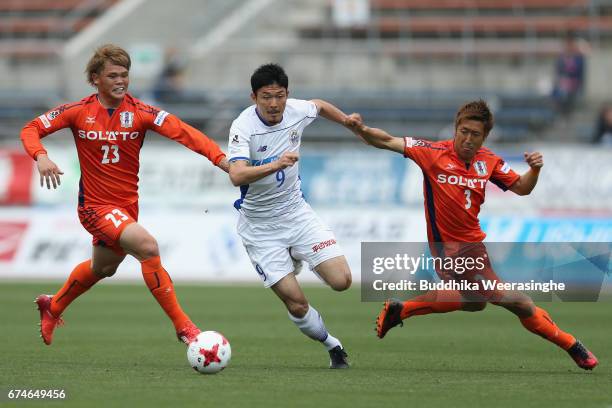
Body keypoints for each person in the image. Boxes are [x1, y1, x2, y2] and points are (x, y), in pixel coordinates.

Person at [346, 100, 598, 371]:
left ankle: (401, 310)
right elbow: (385, 140)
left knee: (474, 302)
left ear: (484, 137)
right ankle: (572, 344)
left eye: (474, 134)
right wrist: (360, 129)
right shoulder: (432, 152)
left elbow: (522, 188)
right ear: (456, 128)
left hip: (475, 246)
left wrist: (534, 170)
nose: (467, 139)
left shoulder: (488, 161)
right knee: (521, 303)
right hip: (451, 249)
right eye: (463, 131)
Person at [21, 44, 229, 346]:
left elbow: (185, 132)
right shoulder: (77, 112)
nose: (121, 81)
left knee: (103, 268)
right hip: (94, 207)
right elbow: (31, 128)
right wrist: (40, 156)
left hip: (126, 208)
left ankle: (52, 306)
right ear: (95, 79)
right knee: (148, 247)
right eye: (113, 76)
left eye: (125, 75)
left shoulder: (141, 113)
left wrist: (221, 160)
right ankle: (185, 327)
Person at [227, 63, 356, 369]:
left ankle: (300, 256)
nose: (274, 104)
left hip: (297, 215)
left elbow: (320, 106)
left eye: (279, 96)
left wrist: (347, 122)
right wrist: (277, 164)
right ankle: (332, 345)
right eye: (266, 97)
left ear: (288, 94)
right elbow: (236, 175)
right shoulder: (243, 126)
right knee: (297, 304)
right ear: (253, 97)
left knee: (342, 281)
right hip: (260, 228)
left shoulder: (297, 110)